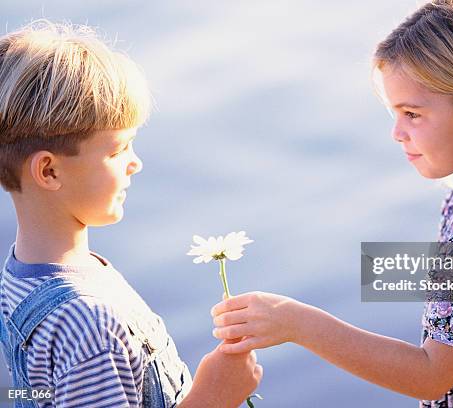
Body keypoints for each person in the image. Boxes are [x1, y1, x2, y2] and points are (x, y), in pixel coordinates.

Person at [210, 0, 453, 406]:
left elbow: (431, 374)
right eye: (393, 113)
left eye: (412, 114)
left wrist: (298, 323)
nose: (397, 133)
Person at [0, 21, 262, 407]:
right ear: (49, 171)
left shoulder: (20, 275)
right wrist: (214, 396)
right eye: (117, 150)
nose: (135, 163)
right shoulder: (89, 323)